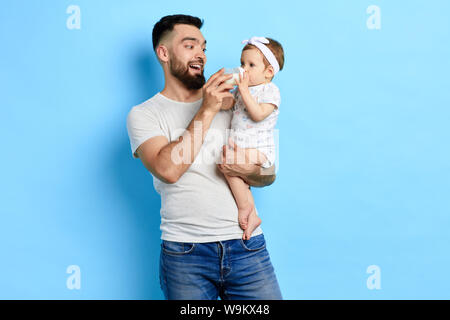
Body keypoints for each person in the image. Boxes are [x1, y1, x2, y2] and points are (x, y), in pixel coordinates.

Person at [126, 14, 282, 300]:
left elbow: (269, 174)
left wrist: (248, 169)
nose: (200, 54)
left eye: (203, 47)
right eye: (190, 46)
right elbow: (169, 169)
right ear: (163, 53)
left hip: (246, 246)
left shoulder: (233, 101)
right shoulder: (144, 115)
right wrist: (207, 109)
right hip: (186, 254)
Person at [221, 36, 284, 240]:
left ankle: (244, 209)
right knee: (232, 170)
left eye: (251, 65)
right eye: (242, 64)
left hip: (259, 148)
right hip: (240, 145)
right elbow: (228, 107)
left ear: (268, 72)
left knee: (230, 166)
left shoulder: (270, 91)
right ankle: (252, 215)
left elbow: (257, 114)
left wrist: (244, 90)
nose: (244, 69)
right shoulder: (243, 91)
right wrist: (221, 93)